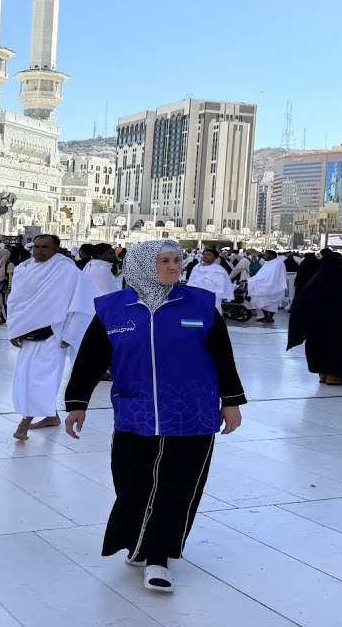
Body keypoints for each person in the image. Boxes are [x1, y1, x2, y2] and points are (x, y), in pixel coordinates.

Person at [63, 239, 244, 593]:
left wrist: (231, 401)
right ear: (144, 265)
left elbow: (223, 357)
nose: (174, 267)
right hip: (135, 411)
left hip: (193, 413)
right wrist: (76, 403)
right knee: (132, 484)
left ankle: (158, 557)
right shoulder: (112, 309)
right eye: (164, 261)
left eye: (177, 260)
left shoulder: (201, 305)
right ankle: (138, 541)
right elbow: (89, 361)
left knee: (179, 487)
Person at [6, 234, 96, 441]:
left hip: (54, 335)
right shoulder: (24, 269)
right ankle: (51, 416)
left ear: (56, 249)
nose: (39, 251)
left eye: (45, 247)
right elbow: (16, 302)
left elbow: (83, 302)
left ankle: (24, 424)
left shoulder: (66, 270)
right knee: (26, 376)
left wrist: (72, 333)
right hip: (28, 334)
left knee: (41, 379)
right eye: (36, 246)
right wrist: (14, 329)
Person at [287, 252, 342, 385]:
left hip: (317, 325)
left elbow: (303, 299)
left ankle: (323, 374)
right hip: (339, 324)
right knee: (336, 347)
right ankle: (334, 376)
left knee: (318, 347)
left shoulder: (316, 280)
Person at [247, 249, 287, 323]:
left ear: (271, 256)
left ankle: (270, 317)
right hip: (264, 286)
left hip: (274, 286)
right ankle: (265, 316)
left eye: (265, 255)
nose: (263, 256)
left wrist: (269, 282)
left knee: (272, 303)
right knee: (262, 301)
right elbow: (262, 274)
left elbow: (275, 276)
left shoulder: (278, 263)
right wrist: (252, 280)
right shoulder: (267, 263)